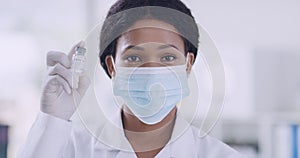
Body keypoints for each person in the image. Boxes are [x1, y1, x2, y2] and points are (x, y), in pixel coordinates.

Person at [18, 0, 244, 157]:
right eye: (134, 57)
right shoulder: (72, 148)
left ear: (188, 64)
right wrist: (53, 119)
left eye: (167, 56)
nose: (152, 70)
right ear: (112, 66)